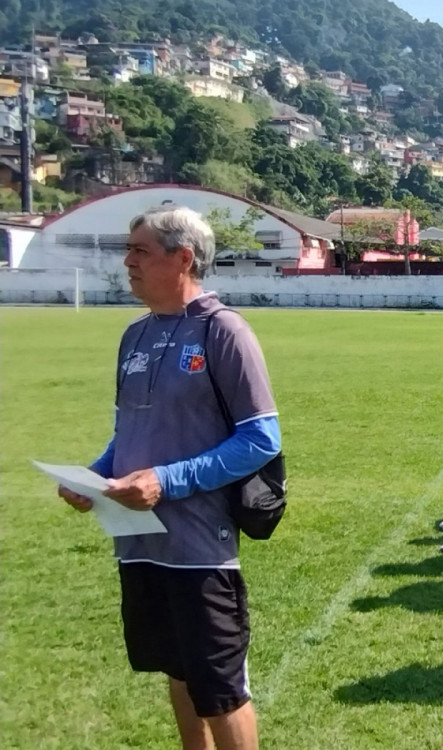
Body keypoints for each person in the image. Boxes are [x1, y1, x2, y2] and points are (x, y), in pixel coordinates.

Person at [58, 206, 279, 749]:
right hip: (139, 544)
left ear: (183, 259)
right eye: (127, 250)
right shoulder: (134, 336)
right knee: (177, 671)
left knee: (220, 688)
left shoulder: (223, 331)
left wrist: (167, 481)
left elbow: (261, 439)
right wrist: (95, 476)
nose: (127, 261)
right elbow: (129, 431)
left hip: (201, 546)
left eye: (140, 250)